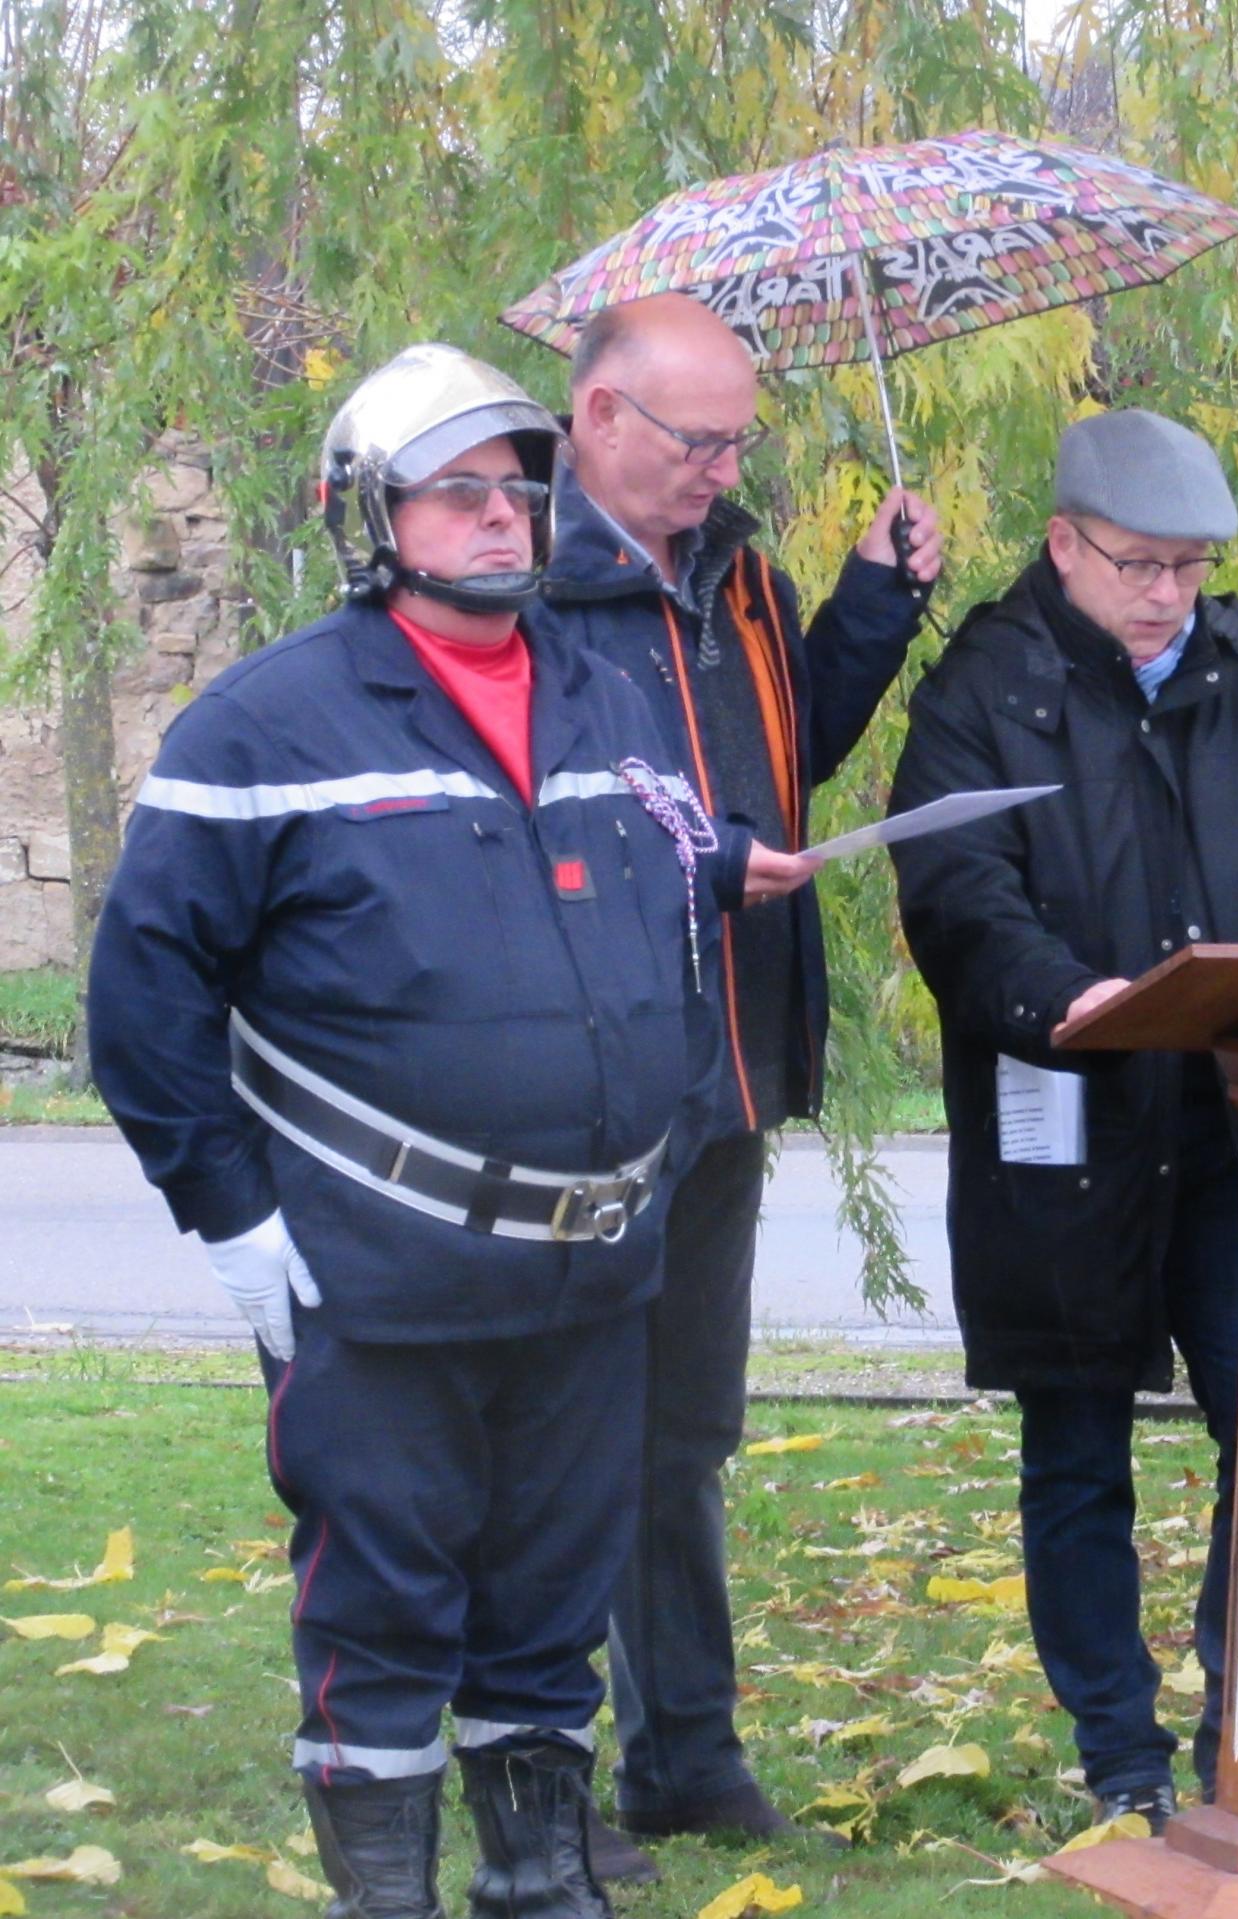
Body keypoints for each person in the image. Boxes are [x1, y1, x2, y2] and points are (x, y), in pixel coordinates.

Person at [87, 342, 723, 1919]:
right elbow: (143, 1003)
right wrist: (229, 1218)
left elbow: (660, 920)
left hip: (591, 1278)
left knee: (548, 1617)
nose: (504, 522)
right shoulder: (261, 728)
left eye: (519, 492)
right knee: (382, 1619)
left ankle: (539, 1889)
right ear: (370, 517)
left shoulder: (607, 695)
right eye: (460, 496)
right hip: (374, 1278)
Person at [888, 408, 1238, 1832]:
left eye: (1190, 566)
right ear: (1064, 545)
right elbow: (954, 895)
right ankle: (1117, 1747)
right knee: (1078, 1450)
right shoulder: (980, 690)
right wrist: (1067, 994)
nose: (1171, 593)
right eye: (1141, 565)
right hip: (1071, 1127)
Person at [543, 291, 942, 1875]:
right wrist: (695, 865)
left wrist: (869, 608)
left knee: (683, 1430)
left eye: (736, 442)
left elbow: (783, 766)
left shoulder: (743, 580)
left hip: (725, 1073)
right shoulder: (520, 583)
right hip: (583, 1075)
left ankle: (684, 1758)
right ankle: (535, 1771)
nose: (721, 469)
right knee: (562, 1434)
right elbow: (530, 814)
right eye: (699, 442)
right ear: (599, 422)